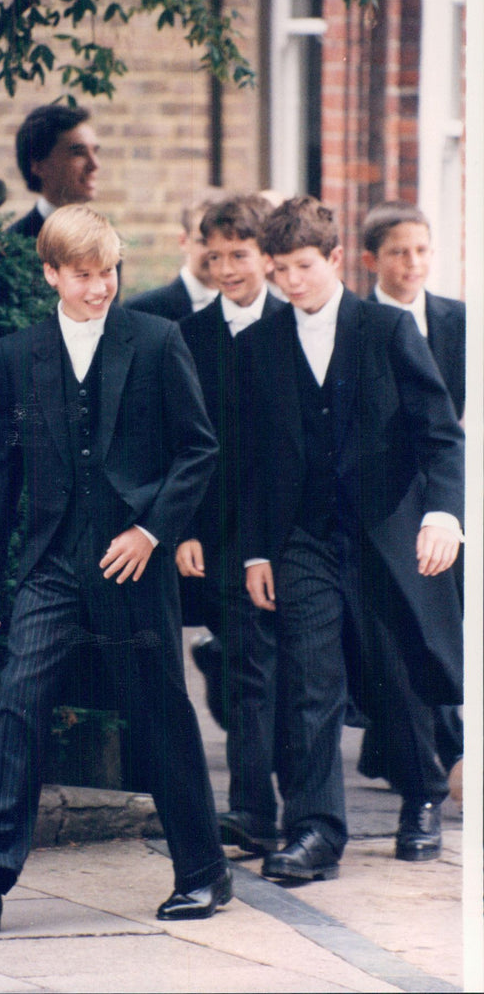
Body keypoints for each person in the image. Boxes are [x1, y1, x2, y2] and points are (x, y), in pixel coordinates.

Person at [0, 204, 231, 931]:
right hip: (52, 561)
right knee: (17, 703)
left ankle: (206, 874)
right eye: (84, 275)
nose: (100, 287)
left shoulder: (156, 340)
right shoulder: (19, 352)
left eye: (110, 270)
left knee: (157, 714)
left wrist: (152, 529)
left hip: (132, 563)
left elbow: (199, 450)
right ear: (50, 273)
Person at [239, 196, 464, 882]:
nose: (291, 282)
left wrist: (444, 515)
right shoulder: (259, 345)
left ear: (334, 259)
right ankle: (315, 830)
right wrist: (253, 549)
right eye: (279, 270)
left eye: (303, 266)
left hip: (386, 528)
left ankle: (422, 793)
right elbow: (251, 459)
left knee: (395, 672)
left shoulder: (389, 330)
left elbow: (440, 433)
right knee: (312, 678)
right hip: (303, 535)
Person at [175, 194, 285, 856]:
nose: (225, 267)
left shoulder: (291, 325)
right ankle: (251, 807)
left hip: (280, 528)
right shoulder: (188, 336)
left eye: (238, 254)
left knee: (269, 669)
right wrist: (184, 527)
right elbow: (182, 439)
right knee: (247, 666)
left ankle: (277, 809)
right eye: (213, 255)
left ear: (264, 256)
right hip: (214, 530)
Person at [359, 199, 466, 792]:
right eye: (399, 252)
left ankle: (413, 748)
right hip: (389, 496)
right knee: (413, 617)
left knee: (443, 614)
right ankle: (438, 753)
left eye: (422, 250)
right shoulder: (359, 324)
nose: (413, 263)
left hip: (450, 485)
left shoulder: (460, 320)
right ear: (373, 259)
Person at [123, 188, 228, 319]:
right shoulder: (143, 309)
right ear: (184, 241)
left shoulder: (245, 307)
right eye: (204, 242)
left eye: (223, 244)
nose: (214, 254)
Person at [7, 105, 100, 238]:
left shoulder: (107, 242)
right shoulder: (12, 245)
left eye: (95, 152)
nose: (95, 165)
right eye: (78, 153)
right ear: (39, 166)